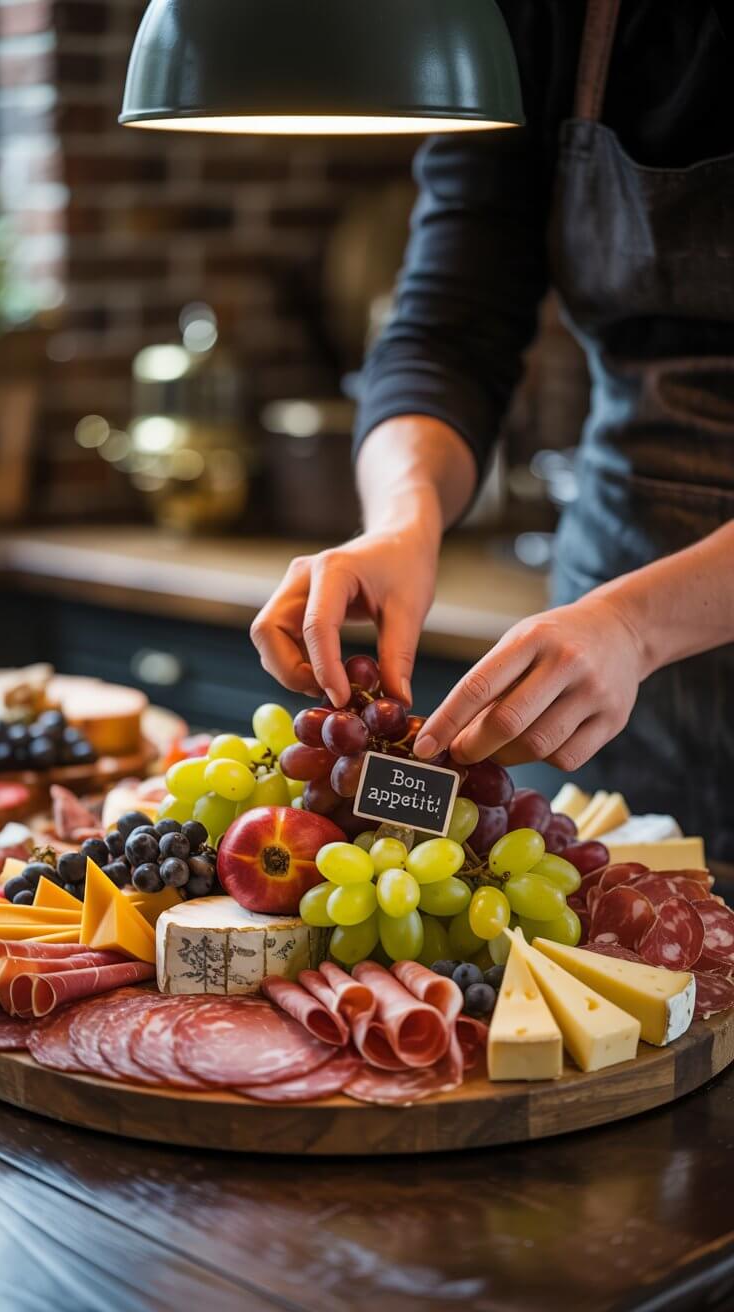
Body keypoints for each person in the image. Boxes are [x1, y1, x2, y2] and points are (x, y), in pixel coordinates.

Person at [252, 0, 734, 863]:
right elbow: (447, 327)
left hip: (619, 625)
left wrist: (638, 625)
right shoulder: (536, 17)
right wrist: (404, 517)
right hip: (610, 621)